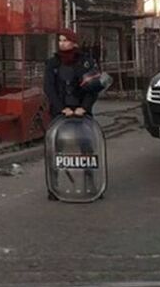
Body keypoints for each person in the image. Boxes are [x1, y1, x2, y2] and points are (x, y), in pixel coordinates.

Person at [43, 28, 101, 201]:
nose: (62, 43)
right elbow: (49, 89)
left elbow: (93, 88)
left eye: (65, 40)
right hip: (60, 113)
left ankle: (91, 185)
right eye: (60, 40)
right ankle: (54, 187)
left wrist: (84, 107)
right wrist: (62, 108)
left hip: (82, 112)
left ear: (74, 42)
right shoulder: (53, 63)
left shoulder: (86, 62)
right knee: (56, 150)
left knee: (87, 149)